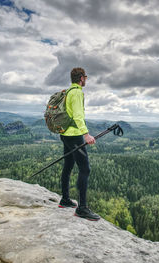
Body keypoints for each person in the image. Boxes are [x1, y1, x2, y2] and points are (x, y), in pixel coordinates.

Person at [58, 67, 100, 221]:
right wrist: (86, 134)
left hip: (65, 134)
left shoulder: (68, 91)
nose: (86, 80)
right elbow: (77, 115)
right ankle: (82, 208)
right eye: (85, 77)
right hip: (75, 136)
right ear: (81, 78)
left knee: (68, 166)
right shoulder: (76, 92)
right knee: (85, 169)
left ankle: (65, 199)